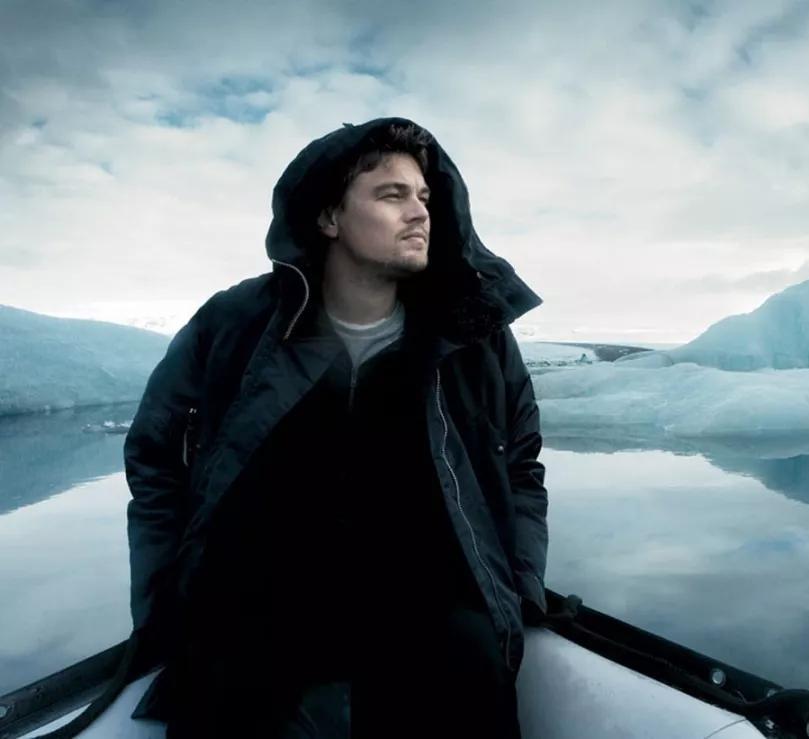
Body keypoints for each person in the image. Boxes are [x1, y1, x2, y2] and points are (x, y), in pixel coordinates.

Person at [123, 117, 549, 738]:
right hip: (260, 615)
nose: (419, 213)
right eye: (391, 195)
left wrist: (521, 585)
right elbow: (155, 455)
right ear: (329, 218)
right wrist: (165, 603)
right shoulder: (236, 323)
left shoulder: (474, 336)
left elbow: (522, 467)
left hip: (426, 615)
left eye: (424, 197)